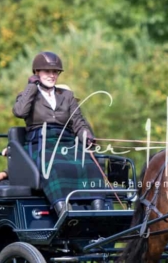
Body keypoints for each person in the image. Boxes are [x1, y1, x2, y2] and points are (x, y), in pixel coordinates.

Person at [12, 51, 105, 214]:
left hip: (66, 142)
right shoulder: (28, 95)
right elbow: (19, 112)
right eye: (47, 71)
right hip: (40, 143)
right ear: (37, 72)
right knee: (54, 167)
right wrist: (31, 86)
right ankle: (63, 209)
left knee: (91, 165)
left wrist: (87, 136)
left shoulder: (67, 95)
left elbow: (78, 122)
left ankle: (99, 208)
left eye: (55, 72)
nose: (52, 75)